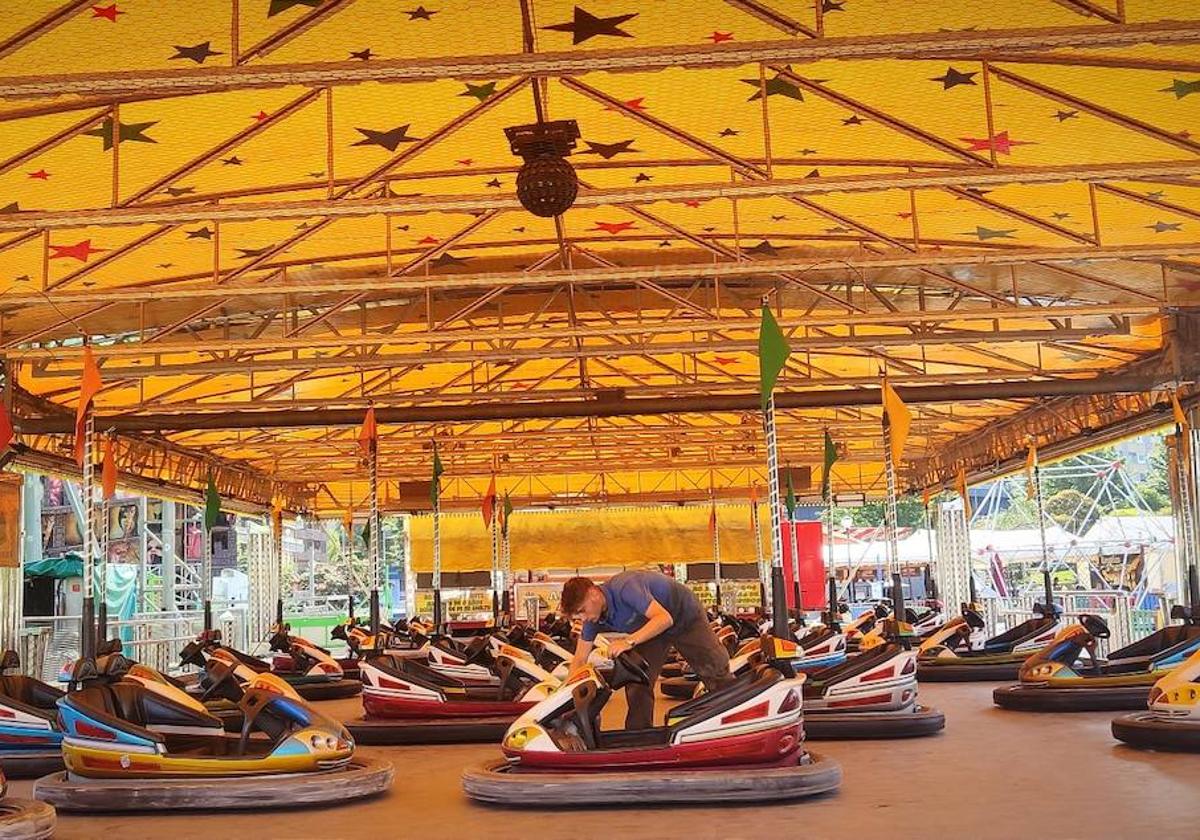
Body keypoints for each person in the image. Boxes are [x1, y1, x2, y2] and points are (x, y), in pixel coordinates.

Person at [560, 570, 733, 729]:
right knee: (637, 680)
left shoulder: (625, 588)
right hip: (652, 629)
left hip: (683, 615)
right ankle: (639, 736)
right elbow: (580, 659)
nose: (583, 618)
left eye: (582, 611)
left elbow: (664, 618)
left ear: (593, 594)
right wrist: (563, 698)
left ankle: (735, 717)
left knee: (714, 670)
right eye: (578, 616)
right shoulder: (592, 620)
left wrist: (628, 641)